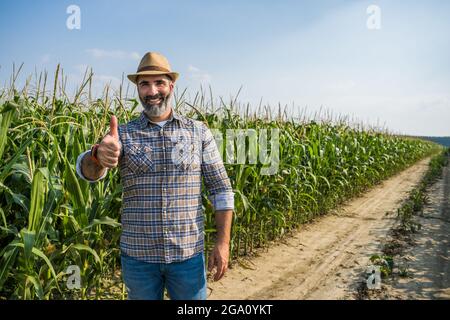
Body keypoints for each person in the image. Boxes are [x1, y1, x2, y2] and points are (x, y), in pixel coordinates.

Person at [75, 52, 234, 300]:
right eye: (144, 84)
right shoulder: (124, 135)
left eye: (159, 82)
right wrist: (97, 155)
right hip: (139, 259)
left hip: (188, 256)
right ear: (137, 89)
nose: (152, 91)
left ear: (171, 85)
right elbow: (89, 174)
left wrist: (223, 243)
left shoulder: (198, 132)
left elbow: (221, 190)